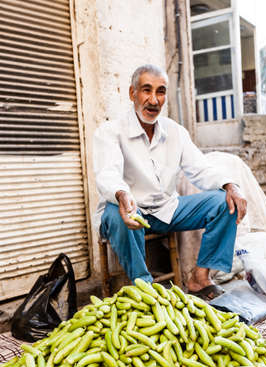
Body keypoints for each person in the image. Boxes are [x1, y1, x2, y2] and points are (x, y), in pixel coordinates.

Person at [93, 64, 247, 300]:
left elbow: (200, 169)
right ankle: (145, 290)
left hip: (167, 210)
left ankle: (200, 277)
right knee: (116, 211)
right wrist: (123, 195)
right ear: (132, 93)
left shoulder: (175, 131)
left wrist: (230, 184)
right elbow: (108, 174)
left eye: (161, 91)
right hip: (128, 214)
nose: (154, 100)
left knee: (224, 202)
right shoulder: (110, 131)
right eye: (146, 90)